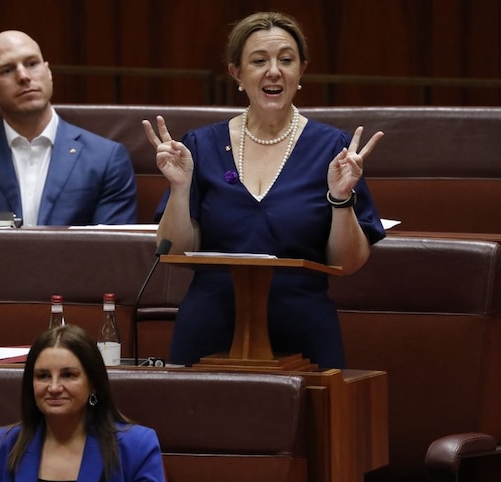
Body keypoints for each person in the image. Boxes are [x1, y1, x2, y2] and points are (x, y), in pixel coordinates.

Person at [141, 12, 386, 370]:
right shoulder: (200, 145)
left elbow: (348, 263)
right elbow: (174, 252)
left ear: (302, 70)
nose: (274, 71)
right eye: (259, 61)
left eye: (286, 60)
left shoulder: (334, 149)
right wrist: (179, 189)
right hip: (209, 327)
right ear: (237, 73)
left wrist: (340, 198)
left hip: (303, 329)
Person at [0, 30, 138, 226]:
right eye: (7, 70)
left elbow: (113, 252)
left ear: (48, 73)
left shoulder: (106, 159)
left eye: (32, 64)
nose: (23, 76)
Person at [0, 325, 166, 482]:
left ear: (93, 384)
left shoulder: (137, 447)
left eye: (68, 375)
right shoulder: (0, 447)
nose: (54, 387)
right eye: (43, 376)